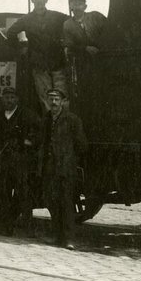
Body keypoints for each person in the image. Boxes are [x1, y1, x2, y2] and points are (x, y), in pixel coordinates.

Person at [6, 0, 70, 112]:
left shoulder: (56, 16)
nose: (39, 1)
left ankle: (63, 126)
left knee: (62, 96)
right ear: (32, 0)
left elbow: (71, 23)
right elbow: (11, 33)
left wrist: (67, 41)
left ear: (46, 0)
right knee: (46, 98)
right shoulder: (26, 19)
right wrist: (21, 49)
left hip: (57, 63)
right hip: (39, 66)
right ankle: (50, 126)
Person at [0, 86, 39, 237]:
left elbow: (39, 130)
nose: (9, 101)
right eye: (6, 98)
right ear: (2, 99)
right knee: (2, 193)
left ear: (17, 99)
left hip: (20, 160)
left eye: (12, 98)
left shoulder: (27, 115)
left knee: (23, 194)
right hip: (3, 160)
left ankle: (29, 228)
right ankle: (3, 226)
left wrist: (29, 142)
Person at [42, 88, 89, 248]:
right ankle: (56, 235)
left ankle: (69, 239)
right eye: (51, 99)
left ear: (62, 102)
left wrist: (69, 158)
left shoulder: (72, 120)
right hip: (50, 167)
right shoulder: (47, 119)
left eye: (56, 99)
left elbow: (82, 145)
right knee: (52, 201)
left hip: (66, 168)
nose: (53, 102)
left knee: (67, 202)